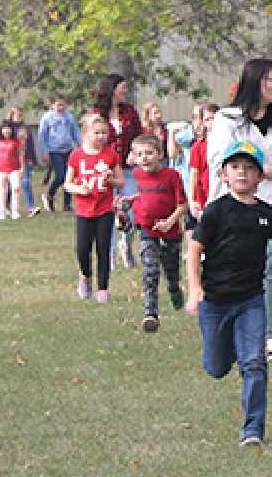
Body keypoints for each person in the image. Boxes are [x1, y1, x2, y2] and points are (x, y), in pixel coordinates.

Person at [186, 139, 272, 447]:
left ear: (260, 177)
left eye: (249, 168)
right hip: (214, 302)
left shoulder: (268, 214)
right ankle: (225, 350)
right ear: (224, 174)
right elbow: (194, 250)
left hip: (251, 302)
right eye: (235, 167)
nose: (242, 173)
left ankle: (253, 429)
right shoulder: (215, 212)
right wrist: (195, 288)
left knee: (254, 362)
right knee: (216, 367)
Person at [207, 59, 272, 365]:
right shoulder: (228, 120)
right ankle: (234, 335)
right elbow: (218, 162)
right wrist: (264, 171)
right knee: (236, 272)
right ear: (255, 81)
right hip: (237, 209)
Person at [130, 133, 188, 332]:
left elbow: (182, 205)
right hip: (147, 231)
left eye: (149, 153)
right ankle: (150, 313)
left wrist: (170, 221)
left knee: (171, 270)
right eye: (139, 154)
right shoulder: (136, 176)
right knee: (150, 271)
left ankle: (174, 288)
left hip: (171, 232)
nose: (144, 158)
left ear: (160, 154)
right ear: (134, 157)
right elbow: (140, 195)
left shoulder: (172, 176)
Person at [66, 113, 122, 303]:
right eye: (97, 133)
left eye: (104, 133)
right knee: (82, 249)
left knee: (103, 249)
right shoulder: (76, 155)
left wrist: (111, 180)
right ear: (86, 133)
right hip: (83, 210)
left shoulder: (110, 155)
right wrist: (80, 189)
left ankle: (103, 288)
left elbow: (120, 181)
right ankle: (85, 276)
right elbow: (68, 184)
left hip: (104, 210)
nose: (101, 137)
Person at [92, 74, 143, 268]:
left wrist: (135, 153)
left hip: (128, 169)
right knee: (106, 215)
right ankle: (109, 256)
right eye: (123, 87)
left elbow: (139, 135)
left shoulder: (130, 111)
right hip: (106, 171)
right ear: (113, 89)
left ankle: (126, 244)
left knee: (132, 211)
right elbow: (91, 140)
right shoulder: (97, 113)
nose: (126, 90)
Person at [38, 97, 79, 213]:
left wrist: (80, 146)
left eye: (63, 105)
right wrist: (44, 151)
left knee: (69, 177)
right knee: (60, 176)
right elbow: (42, 136)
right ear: (53, 106)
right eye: (58, 105)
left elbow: (75, 131)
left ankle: (67, 204)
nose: (61, 107)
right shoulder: (47, 118)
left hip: (68, 150)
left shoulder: (69, 117)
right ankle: (49, 196)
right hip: (54, 151)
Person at [0, 121, 24, 220]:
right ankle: (2, 212)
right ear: (1, 130)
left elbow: (21, 155)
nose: (6, 130)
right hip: (1, 170)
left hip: (14, 169)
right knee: (2, 191)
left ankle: (15, 212)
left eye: (8, 128)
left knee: (16, 188)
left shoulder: (17, 141)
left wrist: (22, 168)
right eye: (4, 128)